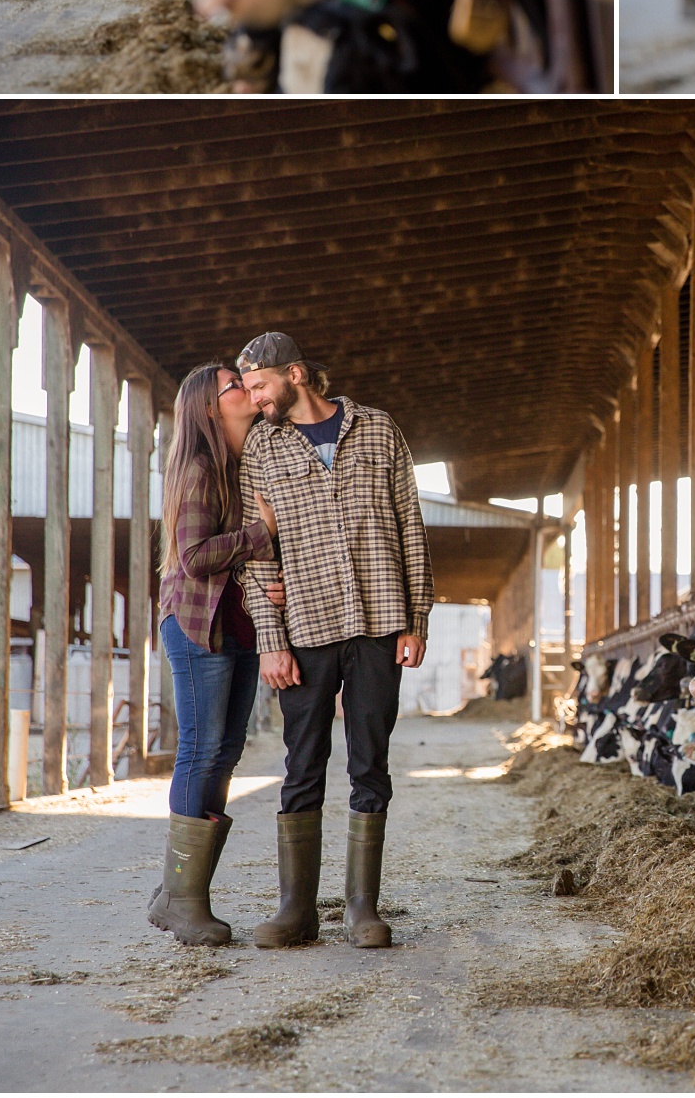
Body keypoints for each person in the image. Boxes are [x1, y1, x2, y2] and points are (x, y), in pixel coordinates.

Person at [236, 333, 431, 951]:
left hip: (379, 620)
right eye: (247, 390)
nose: (254, 398)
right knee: (302, 763)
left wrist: (416, 617)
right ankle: (296, 909)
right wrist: (271, 639)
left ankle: (361, 908)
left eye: (261, 385)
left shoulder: (377, 428)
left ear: (295, 373)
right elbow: (256, 550)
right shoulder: (261, 449)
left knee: (370, 760)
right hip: (307, 627)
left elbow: (410, 522)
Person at [147, 361, 283, 946]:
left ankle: (177, 889)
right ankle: (183, 900)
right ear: (210, 407)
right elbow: (196, 555)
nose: (245, 390)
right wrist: (262, 535)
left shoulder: (241, 464)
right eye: (234, 385)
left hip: (239, 627)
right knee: (201, 753)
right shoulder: (201, 468)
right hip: (198, 627)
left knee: (225, 753)